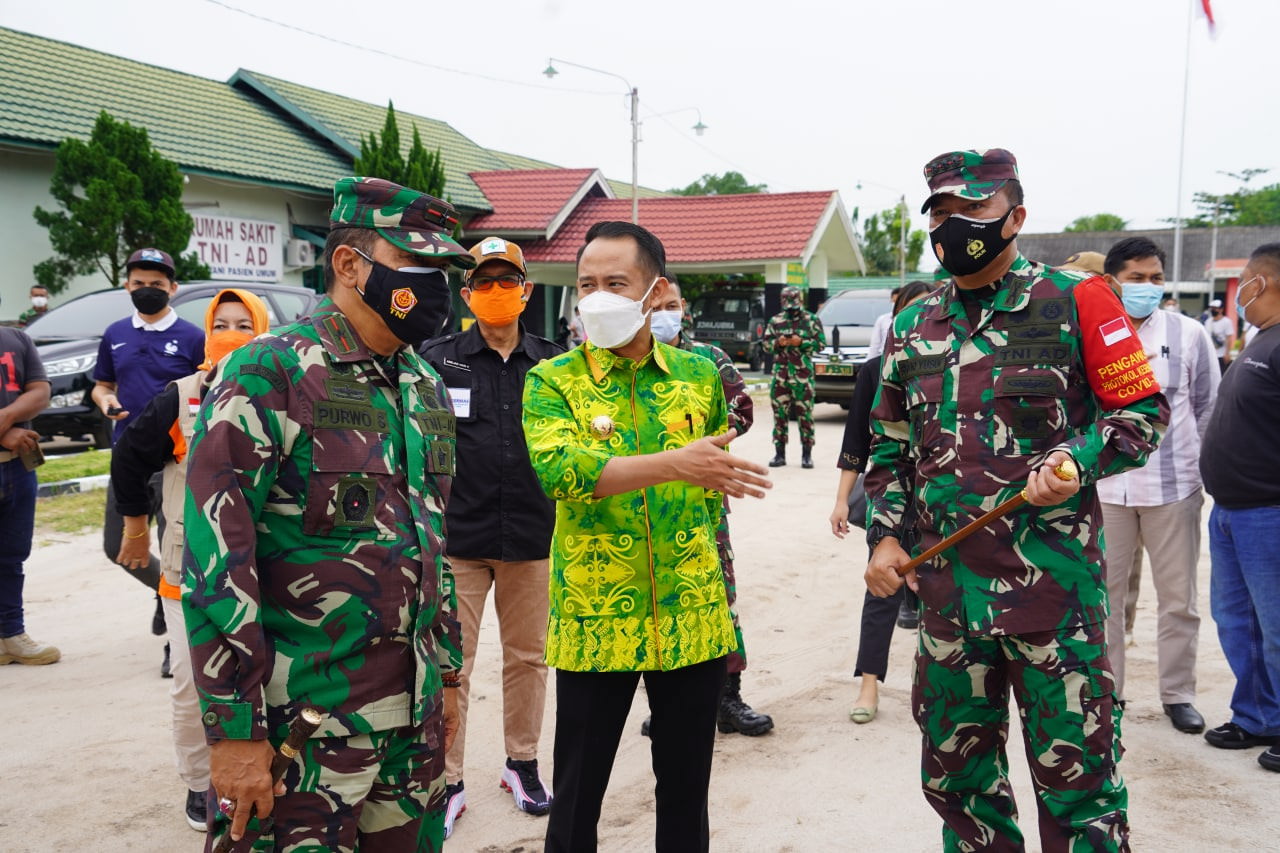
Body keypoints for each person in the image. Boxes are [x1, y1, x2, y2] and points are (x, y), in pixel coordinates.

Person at [864, 149, 1169, 851]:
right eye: (941, 211)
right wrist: (884, 536)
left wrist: (1075, 458)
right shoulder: (914, 324)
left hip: (1052, 600)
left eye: (972, 209)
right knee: (958, 789)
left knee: (1080, 790)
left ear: (1016, 216)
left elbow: (1142, 414)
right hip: (948, 603)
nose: (954, 224)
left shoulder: (1079, 299)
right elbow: (886, 445)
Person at [182, 177, 468, 851]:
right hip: (302, 731)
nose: (438, 286)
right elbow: (218, 562)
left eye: (443, 270)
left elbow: (433, 538)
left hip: (413, 724)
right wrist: (235, 731)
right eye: (418, 265)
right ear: (349, 265)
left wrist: (450, 677)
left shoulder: (422, 383)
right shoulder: (268, 373)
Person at [522, 220, 771, 852]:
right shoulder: (552, 381)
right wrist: (674, 464)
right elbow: (562, 472)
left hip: (691, 613)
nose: (597, 296)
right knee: (578, 794)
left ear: (653, 290)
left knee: (686, 794)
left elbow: (711, 474)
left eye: (615, 282)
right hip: (595, 615)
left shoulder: (698, 376)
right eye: (586, 284)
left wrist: (702, 480)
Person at [110, 288, 270, 832]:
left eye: (243, 325)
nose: (231, 334)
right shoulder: (180, 398)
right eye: (220, 324)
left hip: (265, 574)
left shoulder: (285, 394)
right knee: (191, 686)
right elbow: (128, 458)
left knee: (264, 682)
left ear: (264, 332)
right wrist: (135, 526)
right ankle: (202, 786)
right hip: (189, 577)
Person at [419, 237, 563, 837]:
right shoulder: (437, 358)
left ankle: (521, 763)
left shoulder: (555, 364)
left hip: (532, 534)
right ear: (468, 292)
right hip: (460, 537)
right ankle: (447, 779)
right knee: (453, 664)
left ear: (526, 290)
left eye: (508, 282)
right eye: (485, 282)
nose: (496, 292)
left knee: (529, 659)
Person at [1095, 237, 1218, 735]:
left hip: (1175, 487)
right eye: (1137, 278)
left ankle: (1177, 694)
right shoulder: (1095, 335)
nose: (1148, 288)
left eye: (1155, 279)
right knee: (1103, 599)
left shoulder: (1188, 334)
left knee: (1178, 599)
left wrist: (1205, 475)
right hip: (1108, 491)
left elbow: (1209, 406)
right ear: (1112, 282)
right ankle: (1108, 691)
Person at [649, 274, 774, 736]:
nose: (664, 314)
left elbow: (742, 408)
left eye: (672, 305)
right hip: (645, 503)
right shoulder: (628, 363)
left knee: (719, 594)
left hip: (702, 503)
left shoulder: (708, 359)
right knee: (659, 600)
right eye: (656, 306)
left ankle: (728, 697)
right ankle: (668, 702)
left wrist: (701, 442)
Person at [90, 247, 205, 670]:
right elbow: (102, 385)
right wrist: (106, 400)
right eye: (139, 283)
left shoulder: (194, 337)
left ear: (173, 289)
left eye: (157, 285)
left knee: (178, 550)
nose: (147, 291)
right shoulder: (116, 333)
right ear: (127, 286)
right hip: (128, 457)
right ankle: (163, 592)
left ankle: (177, 642)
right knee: (116, 546)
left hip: (177, 460)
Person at [828, 279, 934, 723]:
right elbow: (856, 440)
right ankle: (869, 685)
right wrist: (839, 502)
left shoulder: (955, 369)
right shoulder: (874, 370)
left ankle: (931, 685)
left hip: (940, 499)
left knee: (939, 592)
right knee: (881, 590)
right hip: (888, 496)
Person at [1199, 242, 1280, 773]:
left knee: (1276, 626)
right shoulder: (1260, 342)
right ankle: (1257, 716)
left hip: (1268, 513)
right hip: (1230, 510)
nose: (1241, 292)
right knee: (1238, 622)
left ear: (1263, 282)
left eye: (1246, 280)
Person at [0, 318, 56, 666]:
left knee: (11, 555)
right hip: (12, 444)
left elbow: (40, 392)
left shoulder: (17, 338)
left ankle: (11, 635)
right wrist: (4, 433)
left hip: (17, 467)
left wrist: (4, 416)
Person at [762, 285, 824, 468]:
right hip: (780, 377)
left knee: (805, 416)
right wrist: (778, 344)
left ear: (801, 302)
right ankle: (779, 454)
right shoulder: (776, 320)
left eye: (794, 306)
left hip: (803, 378)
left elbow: (821, 344)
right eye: (788, 306)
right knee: (779, 416)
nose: (791, 310)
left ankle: (807, 455)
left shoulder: (811, 320)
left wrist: (802, 342)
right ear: (782, 303)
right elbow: (765, 345)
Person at [865, 286, 901, 360]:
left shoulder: (914, 319)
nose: (896, 304)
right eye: (894, 301)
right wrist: (869, 363)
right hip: (885, 360)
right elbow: (875, 345)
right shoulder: (883, 320)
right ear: (891, 300)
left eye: (899, 301)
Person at [1204, 298, 1235, 373]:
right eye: (1212, 308)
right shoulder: (1208, 321)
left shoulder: (1226, 322)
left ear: (1221, 309)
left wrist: (1227, 353)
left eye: (1215, 308)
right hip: (1210, 355)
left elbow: (1229, 338)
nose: (1213, 310)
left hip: (1221, 355)